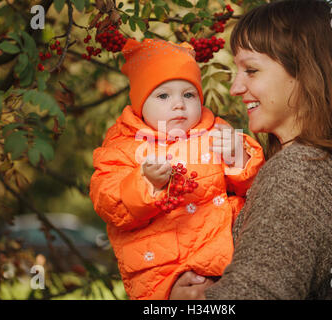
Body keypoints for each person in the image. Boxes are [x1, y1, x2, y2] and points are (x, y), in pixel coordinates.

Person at [169, 0, 332, 300]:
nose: (235, 88)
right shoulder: (328, 164)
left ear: (306, 72)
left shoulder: (300, 171)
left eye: (251, 70)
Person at [89, 38, 265, 299]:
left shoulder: (216, 133)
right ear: (140, 104)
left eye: (189, 94)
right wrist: (146, 183)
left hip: (220, 257)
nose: (179, 104)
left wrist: (237, 157)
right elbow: (108, 203)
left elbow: (254, 189)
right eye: (163, 95)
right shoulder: (122, 147)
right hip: (159, 268)